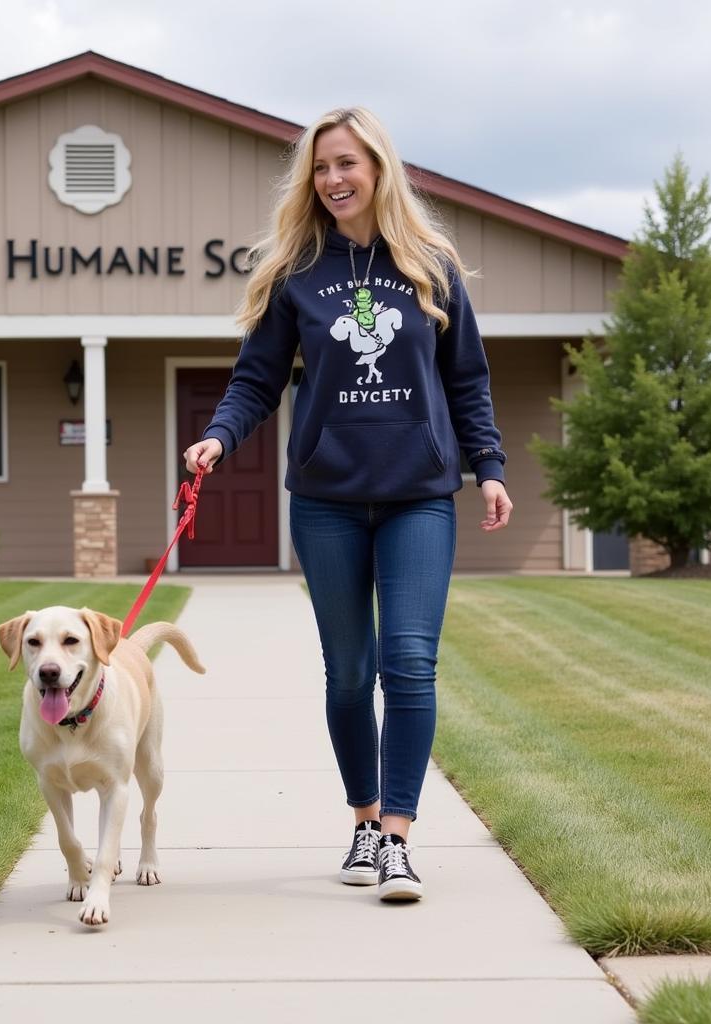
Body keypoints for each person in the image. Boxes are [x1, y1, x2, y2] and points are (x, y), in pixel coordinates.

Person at [183, 107, 513, 902]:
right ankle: (362, 820)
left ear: (378, 170)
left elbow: (466, 379)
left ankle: (398, 836)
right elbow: (256, 378)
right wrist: (220, 438)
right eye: (321, 167)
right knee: (347, 674)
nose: (333, 179)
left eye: (347, 164)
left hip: (419, 499)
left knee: (408, 663)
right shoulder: (298, 272)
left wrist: (489, 466)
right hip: (328, 500)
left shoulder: (430, 264)